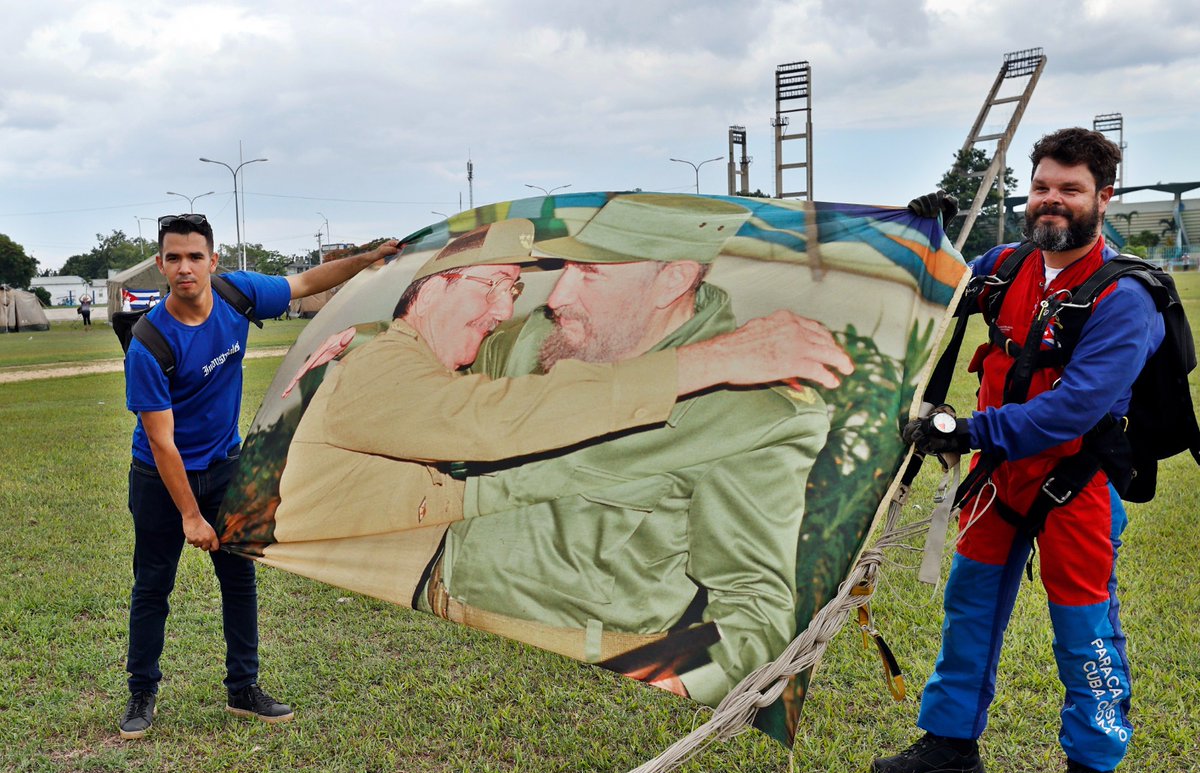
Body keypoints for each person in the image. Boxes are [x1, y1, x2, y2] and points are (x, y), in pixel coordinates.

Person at [268, 214, 851, 615]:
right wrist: (711, 361)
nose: (508, 309)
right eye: (495, 285)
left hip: (473, 584)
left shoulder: (417, 357)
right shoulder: (377, 370)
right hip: (413, 575)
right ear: (434, 287)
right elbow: (496, 421)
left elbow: (542, 471)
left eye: (513, 290)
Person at [426, 194, 847, 706]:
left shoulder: (750, 417)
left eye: (590, 274)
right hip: (435, 617)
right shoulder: (533, 341)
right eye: (564, 271)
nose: (557, 296)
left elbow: (754, 609)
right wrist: (356, 341)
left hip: (572, 671)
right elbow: (430, 357)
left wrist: (670, 680)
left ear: (672, 280)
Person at [873, 128, 1166, 773]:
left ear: (1103, 198)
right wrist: (925, 240)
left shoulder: (1126, 298)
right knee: (969, 606)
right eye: (1042, 187)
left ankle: (1094, 767)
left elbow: (1075, 405)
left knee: (1082, 623)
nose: (1052, 201)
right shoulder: (1003, 266)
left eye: (1070, 190)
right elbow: (933, 291)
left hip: (1075, 483)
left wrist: (970, 430)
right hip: (1000, 477)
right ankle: (950, 743)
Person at [119, 213, 402, 740]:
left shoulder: (237, 295)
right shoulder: (149, 344)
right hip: (162, 480)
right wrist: (189, 515)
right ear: (160, 265)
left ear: (212, 261)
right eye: (174, 258)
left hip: (227, 468)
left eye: (194, 256)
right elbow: (162, 441)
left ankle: (243, 689)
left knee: (239, 579)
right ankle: (141, 692)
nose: (185, 268)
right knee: (153, 586)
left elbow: (305, 283)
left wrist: (366, 260)